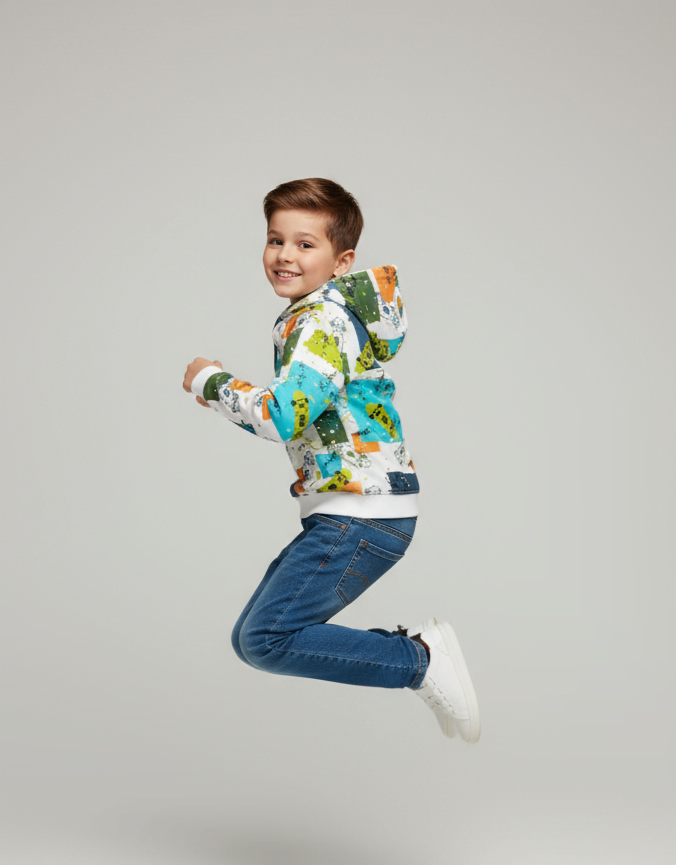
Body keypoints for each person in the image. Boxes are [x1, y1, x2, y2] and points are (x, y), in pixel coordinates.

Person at [182, 178, 481, 742]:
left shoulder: (320, 320)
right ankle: (417, 657)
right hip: (354, 511)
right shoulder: (321, 315)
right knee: (252, 638)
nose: (285, 256)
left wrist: (212, 382)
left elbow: (281, 415)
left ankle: (418, 660)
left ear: (342, 261)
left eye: (305, 244)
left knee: (265, 639)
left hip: (359, 515)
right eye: (276, 240)